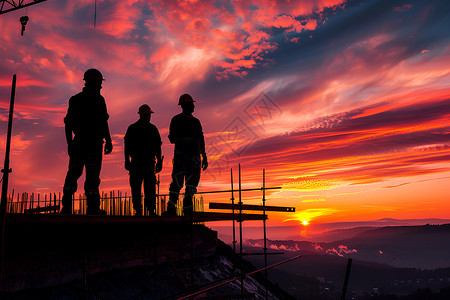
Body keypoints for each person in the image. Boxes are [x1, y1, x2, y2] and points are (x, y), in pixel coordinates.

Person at [60, 68, 113, 215]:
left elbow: (68, 124)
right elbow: (103, 122)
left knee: (74, 174)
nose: (100, 86)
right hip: (92, 144)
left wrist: (70, 144)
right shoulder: (98, 99)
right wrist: (108, 140)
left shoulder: (76, 99)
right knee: (92, 177)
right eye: (99, 83)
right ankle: (92, 208)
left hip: (80, 144)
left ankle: (67, 207)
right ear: (93, 83)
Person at [166, 94, 208, 216]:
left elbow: (201, 139)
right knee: (177, 184)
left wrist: (204, 156)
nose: (194, 106)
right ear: (185, 105)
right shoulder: (176, 120)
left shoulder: (196, 122)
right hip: (181, 158)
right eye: (191, 104)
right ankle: (171, 209)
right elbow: (172, 138)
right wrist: (185, 140)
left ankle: (187, 210)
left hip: (194, 159)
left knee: (192, 185)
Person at [124, 104, 163, 216]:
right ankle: (147, 210)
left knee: (140, 188)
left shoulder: (134, 128)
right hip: (144, 163)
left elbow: (157, 147)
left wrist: (127, 160)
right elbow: (157, 147)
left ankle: (142, 210)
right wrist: (159, 161)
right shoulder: (151, 129)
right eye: (148, 115)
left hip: (141, 163)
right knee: (146, 188)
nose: (148, 117)